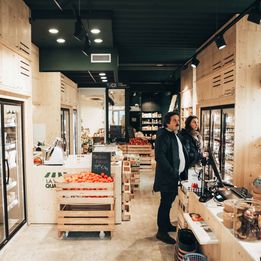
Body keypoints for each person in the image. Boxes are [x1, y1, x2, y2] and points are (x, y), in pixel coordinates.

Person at [153, 111, 188, 244]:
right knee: (165, 203)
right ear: (167, 122)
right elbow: (159, 157)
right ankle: (161, 232)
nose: (177, 122)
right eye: (174, 120)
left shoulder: (174, 134)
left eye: (178, 120)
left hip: (175, 176)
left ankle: (166, 225)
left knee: (168, 203)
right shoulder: (163, 136)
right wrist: (172, 171)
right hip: (167, 177)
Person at [178, 115, 203, 180]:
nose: (196, 124)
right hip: (189, 167)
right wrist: (200, 156)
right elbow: (187, 153)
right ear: (189, 123)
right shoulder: (185, 136)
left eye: (197, 122)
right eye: (194, 122)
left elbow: (197, 148)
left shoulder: (198, 135)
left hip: (196, 166)